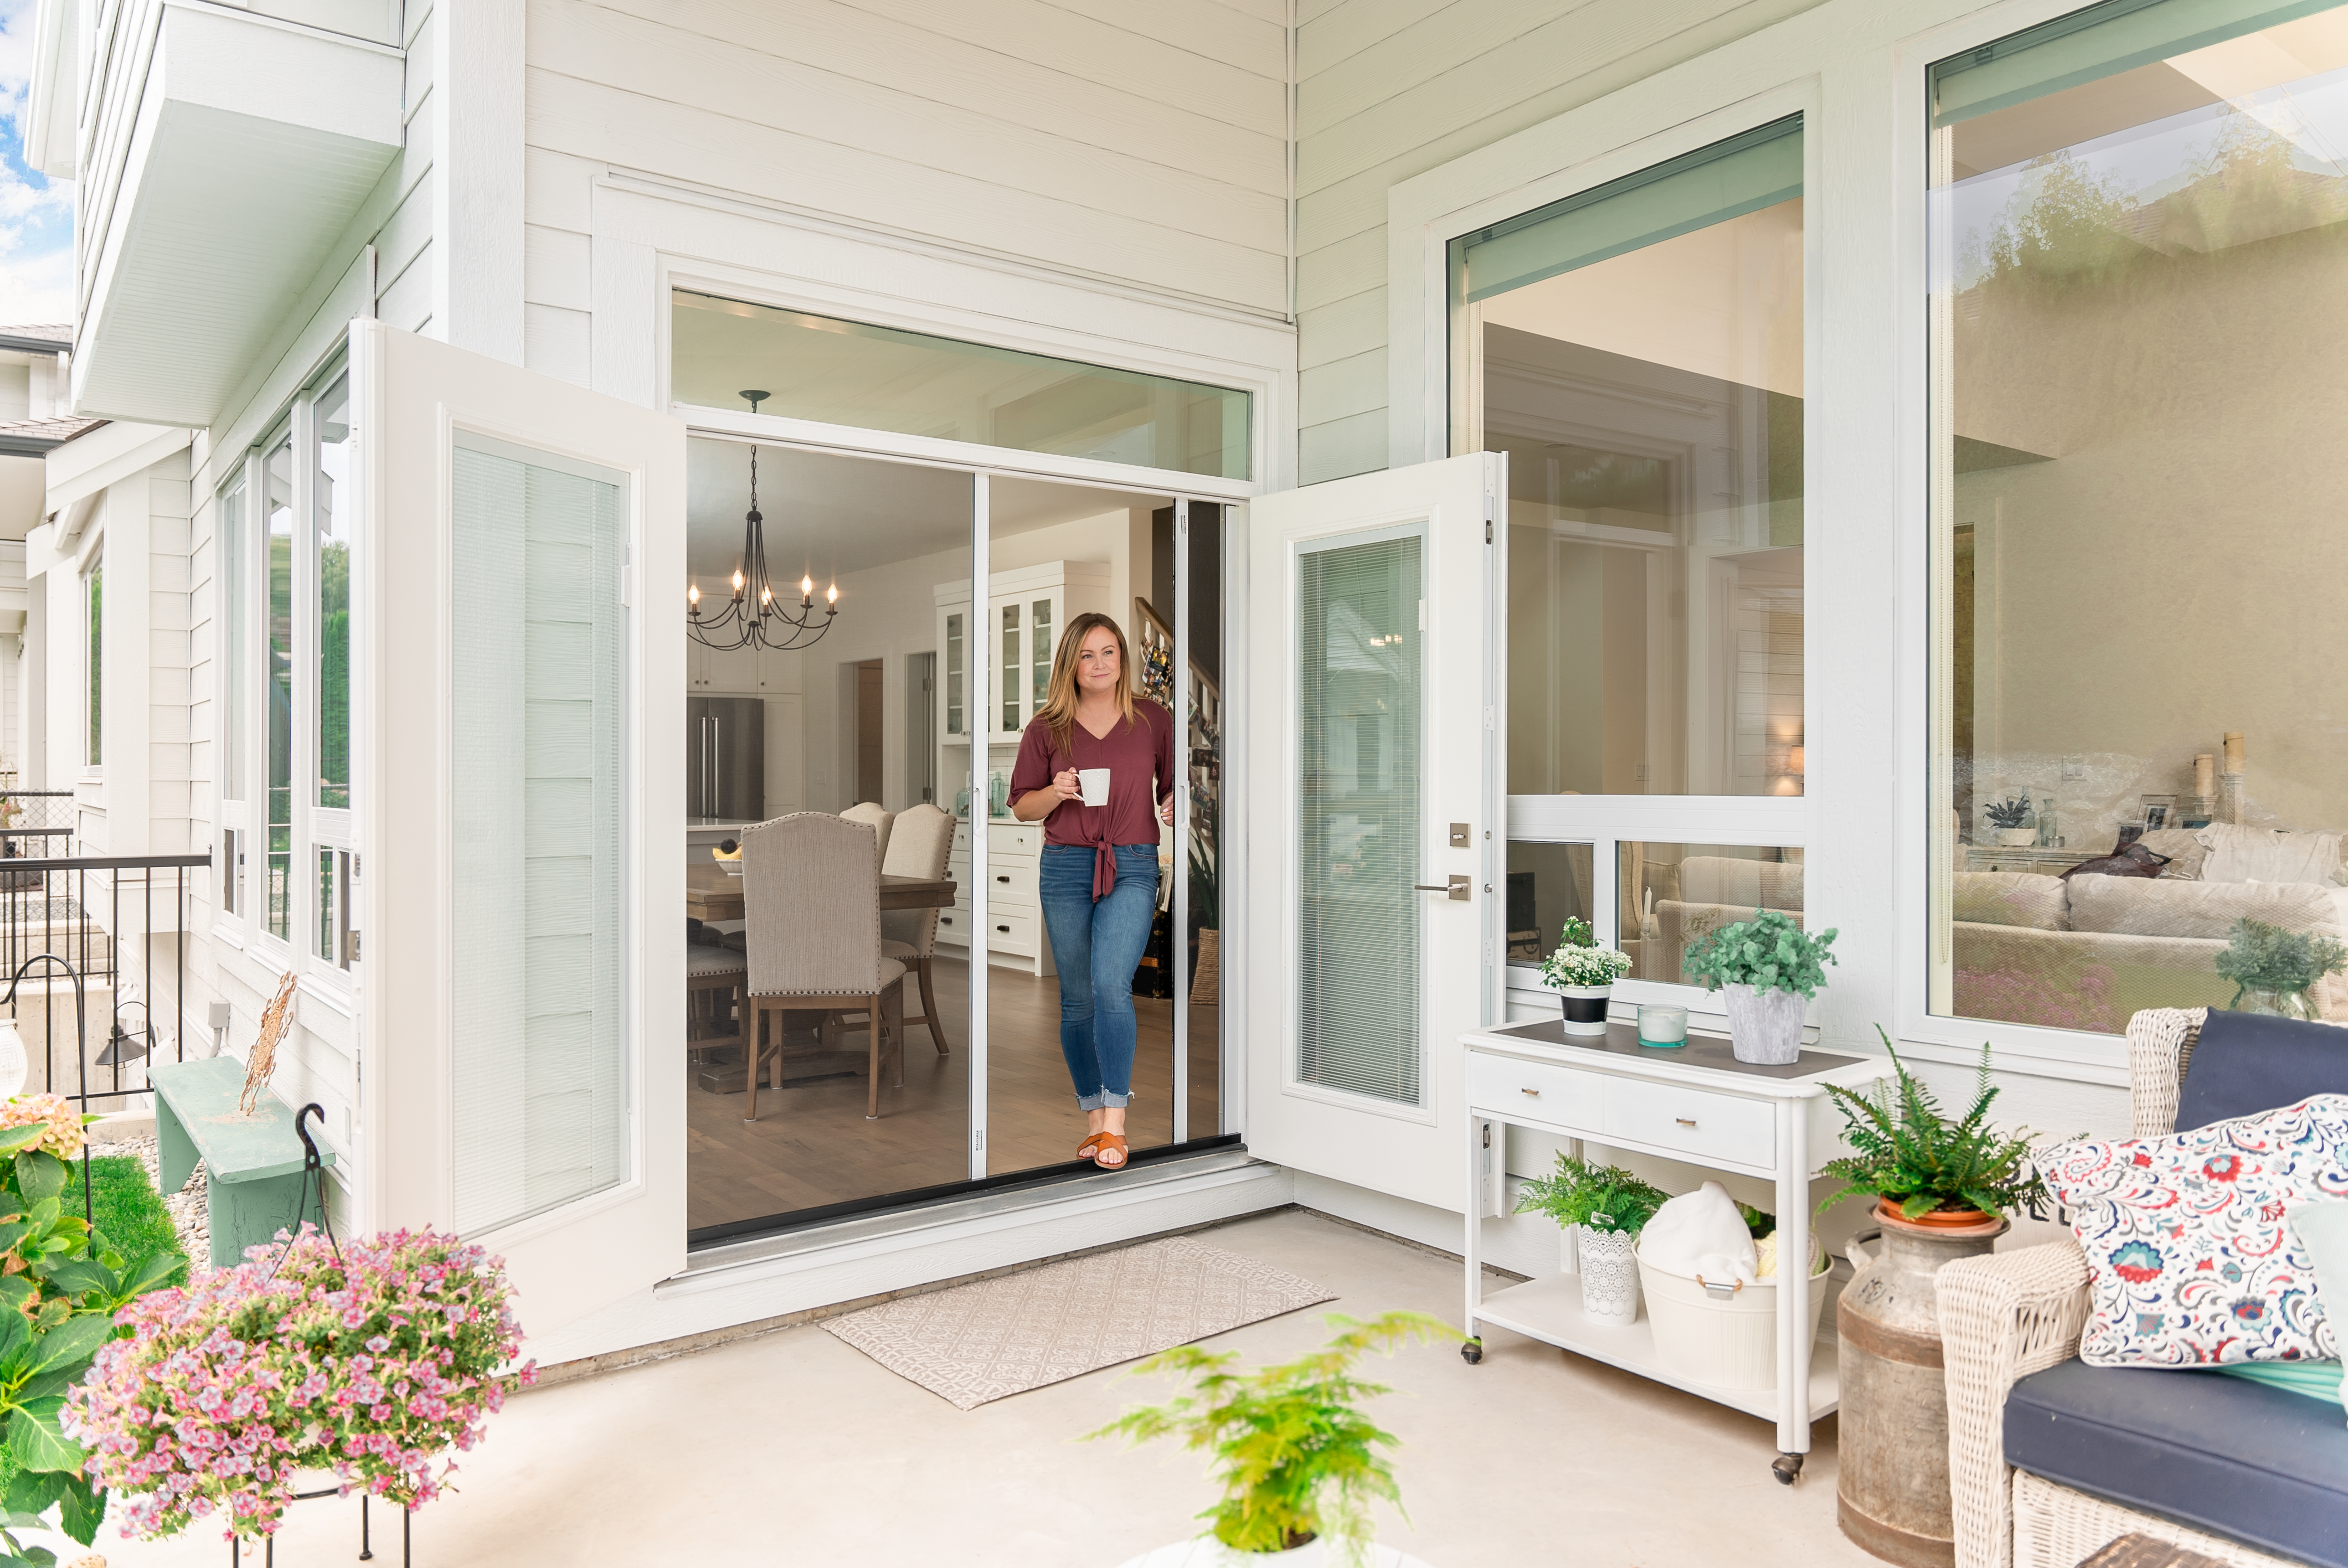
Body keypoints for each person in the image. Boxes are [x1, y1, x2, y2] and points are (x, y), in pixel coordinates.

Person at [1008, 612, 1175, 1171]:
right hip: (1065, 867)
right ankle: (1093, 1122)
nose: (1099, 664)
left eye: (1108, 652)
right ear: (1070, 665)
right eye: (1087, 655)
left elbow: (1177, 787)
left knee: (1110, 984)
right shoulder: (1046, 728)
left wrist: (1176, 803)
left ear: (1122, 659)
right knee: (1077, 998)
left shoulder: (1152, 718)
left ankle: (1116, 1123)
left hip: (1131, 865)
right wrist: (1054, 792)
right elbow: (1023, 808)